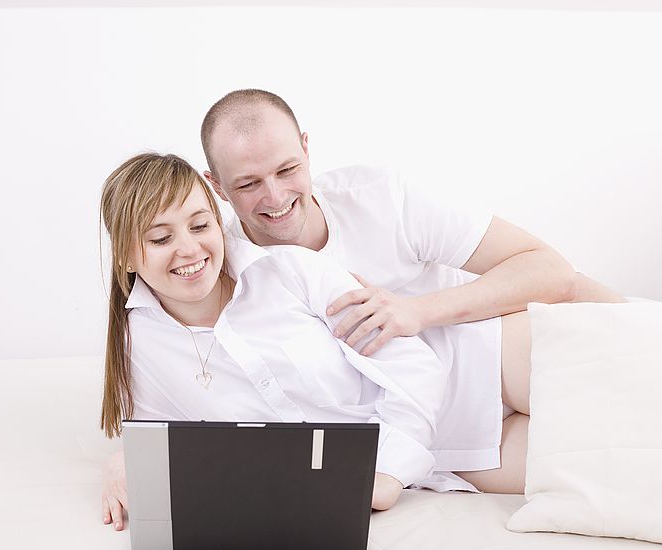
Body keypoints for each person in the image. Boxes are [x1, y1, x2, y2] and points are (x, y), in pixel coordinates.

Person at [197, 89, 625, 497]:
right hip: (450, 443)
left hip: (494, 353)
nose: (275, 196)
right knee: (622, 466)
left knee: (630, 391)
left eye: (287, 169)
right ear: (217, 186)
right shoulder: (226, 277)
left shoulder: (380, 198)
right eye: (248, 184)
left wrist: (416, 312)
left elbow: (552, 271)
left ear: (307, 149)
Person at [100, 152, 531, 532]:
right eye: (161, 238)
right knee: (591, 465)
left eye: (200, 225)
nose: (190, 249)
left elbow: (414, 366)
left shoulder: (288, 271)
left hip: (481, 361)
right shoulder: (140, 345)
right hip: (451, 453)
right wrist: (122, 462)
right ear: (125, 254)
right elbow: (160, 437)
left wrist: (386, 474)